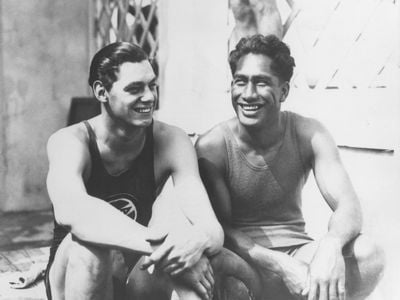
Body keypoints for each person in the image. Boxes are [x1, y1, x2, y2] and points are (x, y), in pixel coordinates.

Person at [195, 34, 385, 300]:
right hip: (245, 262)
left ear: (284, 90)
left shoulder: (308, 133)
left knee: (369, 253)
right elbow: (216, 228)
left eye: (261, 83)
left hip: (299, 255)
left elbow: (349, 205)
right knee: (219, 269)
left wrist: (331, 245)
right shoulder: (213, 146)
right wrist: (279, 264)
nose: (248, 94)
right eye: (241, 81)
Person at [44, 42, 224, 300]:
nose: (150, 97)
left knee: (184, 258)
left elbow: (210, 228)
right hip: (75, 276)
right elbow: (73, 212)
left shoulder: (171, 140)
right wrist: (165, 247)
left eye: (152, 85)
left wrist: (190, 247)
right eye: (135, 89)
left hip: (135, 269)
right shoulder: (69, 142)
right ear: (101, 92)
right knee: (91, 248)